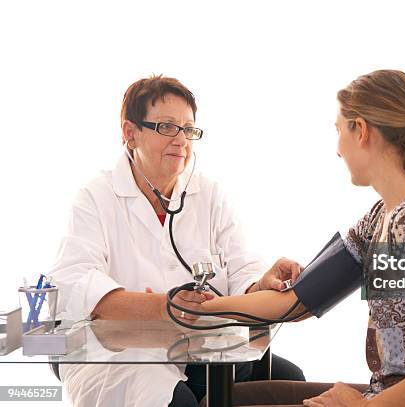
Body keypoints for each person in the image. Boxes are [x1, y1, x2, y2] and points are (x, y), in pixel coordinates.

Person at [188, 69, 405, 406]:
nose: (337, 148)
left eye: (338, 130)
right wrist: (206, 306)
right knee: (220, 400)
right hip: (385, 394)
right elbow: (295, 302)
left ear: (360, 130)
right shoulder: (382, 216)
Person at [48, 75, 305, 407]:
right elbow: (74, 282)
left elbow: (244, 270)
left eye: (188, 129)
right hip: (116, 351)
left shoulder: (210, 194)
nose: (181, 139)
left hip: (195, 347)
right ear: (130, 133)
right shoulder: (96, 197)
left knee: (289, 380)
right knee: (172, 399)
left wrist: (261, 284)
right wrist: (161, 307)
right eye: (167, 127)